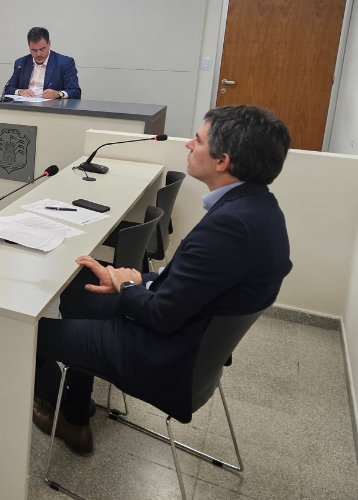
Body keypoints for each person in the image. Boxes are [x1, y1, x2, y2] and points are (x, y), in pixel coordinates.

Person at [31, 105, 292, 454]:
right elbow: (196, 284)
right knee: (77, 291)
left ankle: (65, 414)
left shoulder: (229, 227)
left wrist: (128, 286)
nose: (188, 144)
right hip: (184, 336)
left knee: (29, 332)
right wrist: (139, 279)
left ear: (223, 161)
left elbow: (160, 315)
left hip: (160, 353)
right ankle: (78, 406)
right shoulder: (260, 209)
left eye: (198, 140)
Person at [4, 27, 81, 100]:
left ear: (49, 44)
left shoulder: (65, 63)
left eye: (42, 49)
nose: (38, 54)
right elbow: (8, 88)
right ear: (29, 46)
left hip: (50, 107)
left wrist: (59, 94)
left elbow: (75, 92)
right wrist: (20, 92)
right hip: (24, 105)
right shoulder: (21, 63)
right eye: (34, 50)